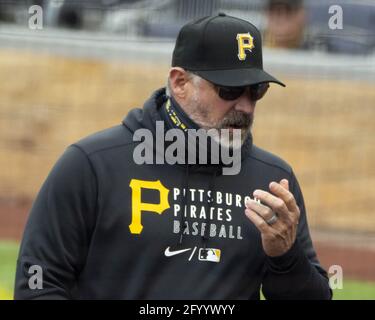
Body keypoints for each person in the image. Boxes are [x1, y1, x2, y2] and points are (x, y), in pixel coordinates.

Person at [14, 13, 332, 300]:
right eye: (230, 90)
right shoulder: (91, 164)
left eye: (256, 91)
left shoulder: (274, 182)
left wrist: (285, 257)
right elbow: (38, 285)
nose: (245, 107)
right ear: (180, 83)